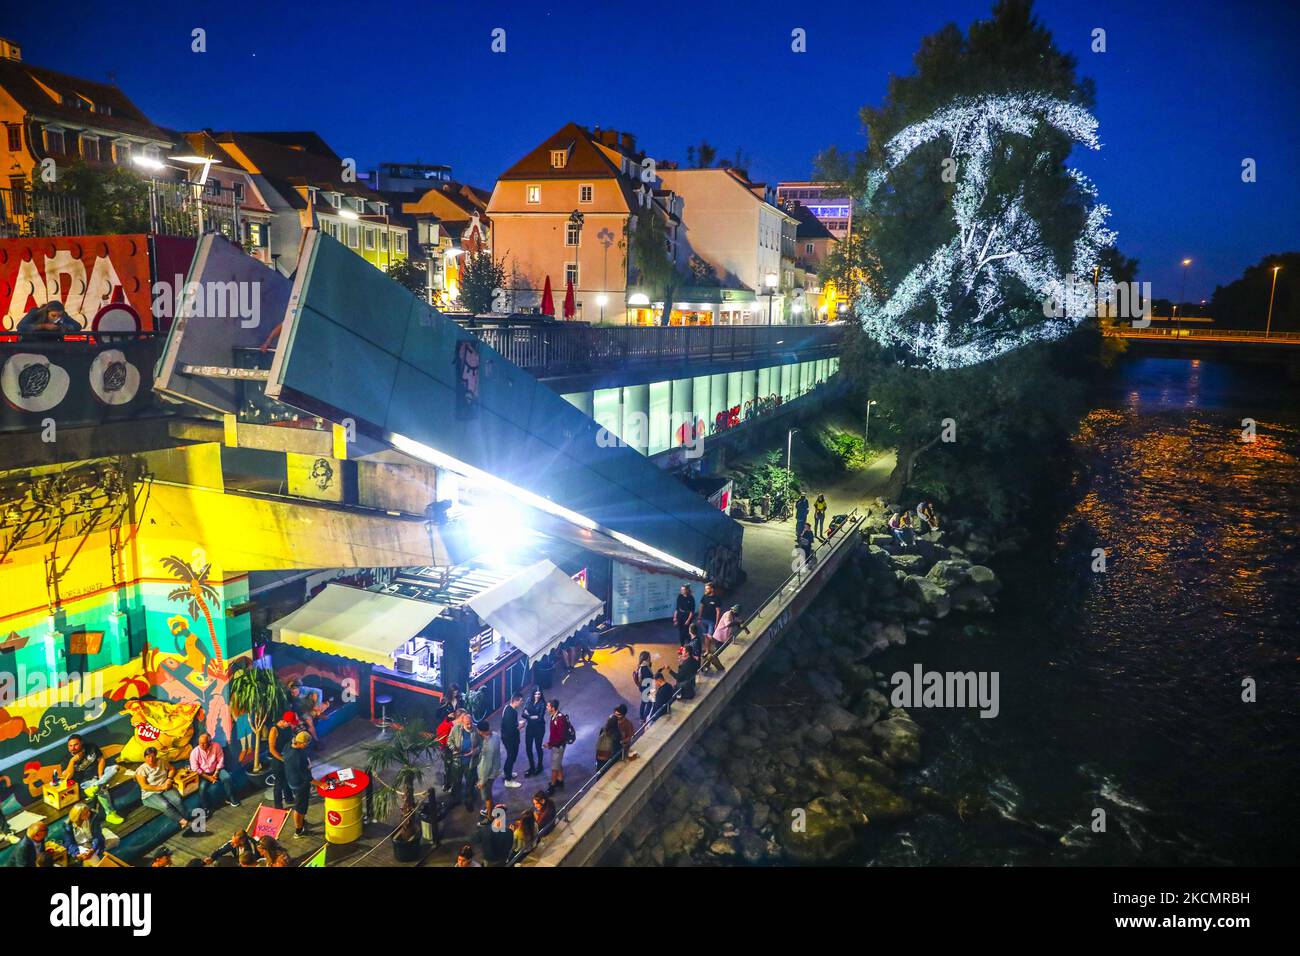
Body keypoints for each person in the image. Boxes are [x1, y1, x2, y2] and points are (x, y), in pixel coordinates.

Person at [63, 734, 124, 826]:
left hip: (99, 775)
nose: (73, 748)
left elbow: (101, 760)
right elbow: (68, 776)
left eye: (75, 745)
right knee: (101, 790)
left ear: (81, 743)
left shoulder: (91, 747)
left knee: (115, 767)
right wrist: (72, 761)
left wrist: (100, 776)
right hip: (85, 782)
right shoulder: (67, 759)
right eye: (70, 746)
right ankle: (110, 814)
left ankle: (96, 786)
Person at [135, 746, 191, 831]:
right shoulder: (141, 770)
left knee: (177, 800)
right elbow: (144, 786)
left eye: (153, 756)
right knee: (165, 805)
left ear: (156, 756)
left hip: (165, 788)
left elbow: (172, 769)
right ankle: (183, 821)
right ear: (145, 757)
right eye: (148, 757)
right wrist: (161, 787)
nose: (151, 759)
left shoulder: (161, 761)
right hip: (150, 794)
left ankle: (187, 819)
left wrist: (169, 779)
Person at [282, 730, 319, 838]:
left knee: (301, 806)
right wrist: (321, 784)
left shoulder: (289, 745)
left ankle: (302, 823)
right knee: (300, 808)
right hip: (300, 784)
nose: (307, 746)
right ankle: (298, 830)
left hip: (291, 779)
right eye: (306, 744)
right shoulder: (297, 757)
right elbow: (307, 777)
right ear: (302, 743)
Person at [189, 732, 240, 811]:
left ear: (210, 742)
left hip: (217, 769)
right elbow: (195, 769)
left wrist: (216, 773)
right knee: (202, 788)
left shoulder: (216, 746)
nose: (201, 745)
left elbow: (221, 759)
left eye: (204, 743)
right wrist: (209, 778)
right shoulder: (194, 752)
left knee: (227, 778)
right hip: (204, 774)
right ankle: (206, 807)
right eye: (200, 743)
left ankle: (231, 798)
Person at [266, 711, 300, 811]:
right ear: (285, 721)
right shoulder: (274, 730)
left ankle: (289, 798)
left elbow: (290, 740)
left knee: (287, 779)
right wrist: (282, 759)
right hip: (278, 760)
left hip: (287, 757)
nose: (291, 725)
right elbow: (272, 749)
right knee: (279, 783)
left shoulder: (288, 727)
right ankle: (278, 806)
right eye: (290, 723)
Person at [446, 710, 480, 810]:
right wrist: (454, 749)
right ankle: (456, 800)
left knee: (470, 783)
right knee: (456, 782)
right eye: (467, 724)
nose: (469, 726)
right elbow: (449, 741)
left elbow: (481, 745)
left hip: (470, 762)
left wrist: (475, 751)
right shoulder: (456, 728)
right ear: (462, 722)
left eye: (470, 723)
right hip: (457, 761)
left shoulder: (476, 729)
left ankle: (469, 801)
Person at [703, 604, 749, 674]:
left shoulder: (733, 616)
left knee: (716, 654)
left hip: (724, 638)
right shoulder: (728, 614)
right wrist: (738, 622)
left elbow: (737, 622)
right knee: (715, 654)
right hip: (719, 637)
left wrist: (744, 627)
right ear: (734, 611)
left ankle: (707, 665)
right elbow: (728, 624)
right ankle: (705, 666)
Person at [475, 719, 503, 824]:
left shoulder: (488, 747)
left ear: (480, 731)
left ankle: (489, 817)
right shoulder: (495, 735)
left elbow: (486, 765)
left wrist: (482, 781)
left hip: (488, 775)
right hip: (495, 770)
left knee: (487, 797)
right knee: (489, 794)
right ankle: (489, 810)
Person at [543, 699, 572, 797]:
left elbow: (561, 737)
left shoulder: (559, 719)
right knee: (558, 763)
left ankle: (553, 785)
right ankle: (560, 780)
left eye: (548, 706)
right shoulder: (554, 716)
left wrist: (550, 744)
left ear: (553, 708)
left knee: (554, 767)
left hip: (558, 746)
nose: (547, 708)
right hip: (556, 745)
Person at [17, 300, 81, 337]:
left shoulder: (63, 316)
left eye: (59, 316)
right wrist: (42, 326)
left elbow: (78, 326)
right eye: (53, 316)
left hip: (53, 346)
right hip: (32, 346)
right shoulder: (35, 313)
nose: (57, 318)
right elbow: (20, 327)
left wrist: (65, 327)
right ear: (47, 313)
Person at [500, 691, 524, 788]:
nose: (522, 702)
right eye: (521, 701)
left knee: (510, 757)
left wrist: (517, 724)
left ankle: (506, 772)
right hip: (511, 739)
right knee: (511, 757)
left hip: (506, 738)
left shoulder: (507, 708)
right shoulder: (512, 712)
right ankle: (508, 780)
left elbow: (509, 724)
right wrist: (520, 726)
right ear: (515, 701)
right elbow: (512, 729)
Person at [522, 687, 547, 777]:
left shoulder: (543, 704)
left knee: (538, 747)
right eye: (536, 694)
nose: (537, 696)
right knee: (528, 748)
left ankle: (539, 766)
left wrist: (528, 715)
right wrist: (531, 717)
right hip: (530, 727)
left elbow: (539, 718)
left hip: (539, 728)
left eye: (539, 694)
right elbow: (523, 713)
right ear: (533, 694)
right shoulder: (529, 700)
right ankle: (532, 767)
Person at [634, 651, 655, 723]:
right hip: (647, 689)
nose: (650, 658)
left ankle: (641, 717)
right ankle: (645, 718)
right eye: (649, 657)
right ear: (646, 658)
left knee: (643, 703)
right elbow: (648, 680)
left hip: (643, 688)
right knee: (649, 704)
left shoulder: (641, 666)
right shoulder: (645, 668)